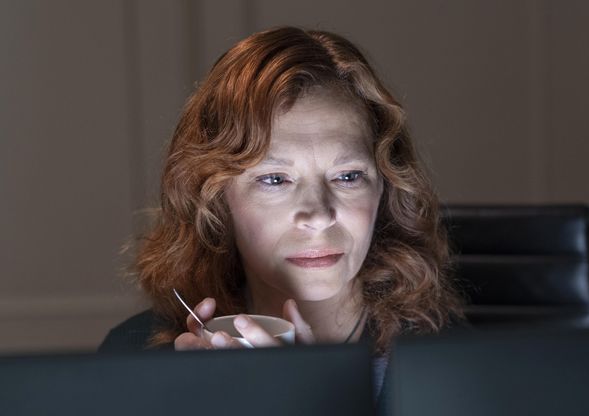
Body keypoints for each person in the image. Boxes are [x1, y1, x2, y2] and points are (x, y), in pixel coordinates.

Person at [99, 26, 463, 397]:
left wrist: (306, 397)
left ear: (383, 185)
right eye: (275, 180)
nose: (319, 215)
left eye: (348, 176)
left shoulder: (461, 367)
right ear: (215, 198)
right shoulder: (134, 356)